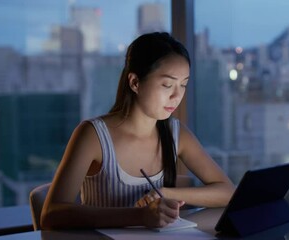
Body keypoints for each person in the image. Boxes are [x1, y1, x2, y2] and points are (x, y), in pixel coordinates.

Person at [41, 32, 235, 230]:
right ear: (135, 82)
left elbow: (228, 192)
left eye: (183, 84)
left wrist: (168, 193)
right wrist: (140, 216)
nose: (177, 96)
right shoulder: (93, 135)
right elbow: (51, 215)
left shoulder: (175, 133)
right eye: (167, 85)